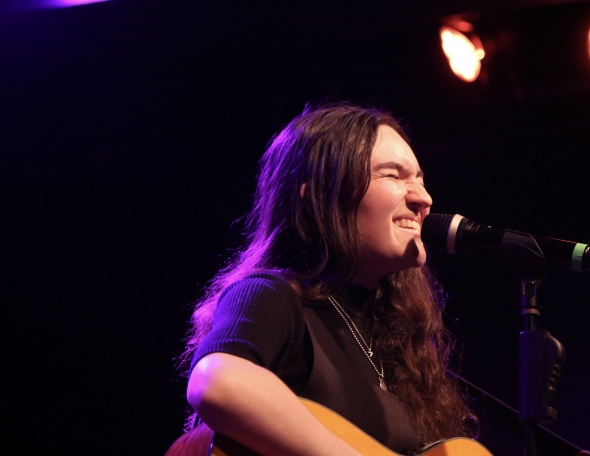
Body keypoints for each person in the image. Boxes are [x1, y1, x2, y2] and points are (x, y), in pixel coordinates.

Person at [179, 103, 475, 456]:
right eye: (394, 176)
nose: (423, 199)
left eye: (420, 179)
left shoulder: (397, 346)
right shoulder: (273, 296)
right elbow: (217, 381)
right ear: (317, 199)